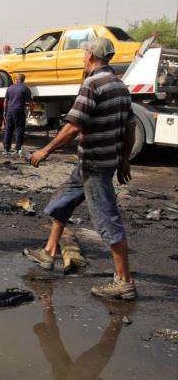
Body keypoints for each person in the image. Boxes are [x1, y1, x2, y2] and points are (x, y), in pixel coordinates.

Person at [26, 37, 136, 300]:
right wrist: (123, 160)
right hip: (98, 161)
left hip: (95, 164)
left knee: (106, 219)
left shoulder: (92, 83)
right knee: (64, 199)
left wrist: (46, 150)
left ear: (90, 55)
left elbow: (74, 125)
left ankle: (125, 281)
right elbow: (130, 126)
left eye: (84, 52)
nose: (82, 56)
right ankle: (49, 252)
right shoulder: (120, 85)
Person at [3, 73, 33, 154]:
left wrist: (5, 111)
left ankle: (6, 148)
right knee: (19, 129)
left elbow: (5, 100)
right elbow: (30, 102)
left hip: (10, 110)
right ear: (23, 80)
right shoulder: (26, 89)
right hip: (19, 111)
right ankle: (18, 148)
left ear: (16, 79)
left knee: (8, 129)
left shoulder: (10, 88)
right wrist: (31, 111)